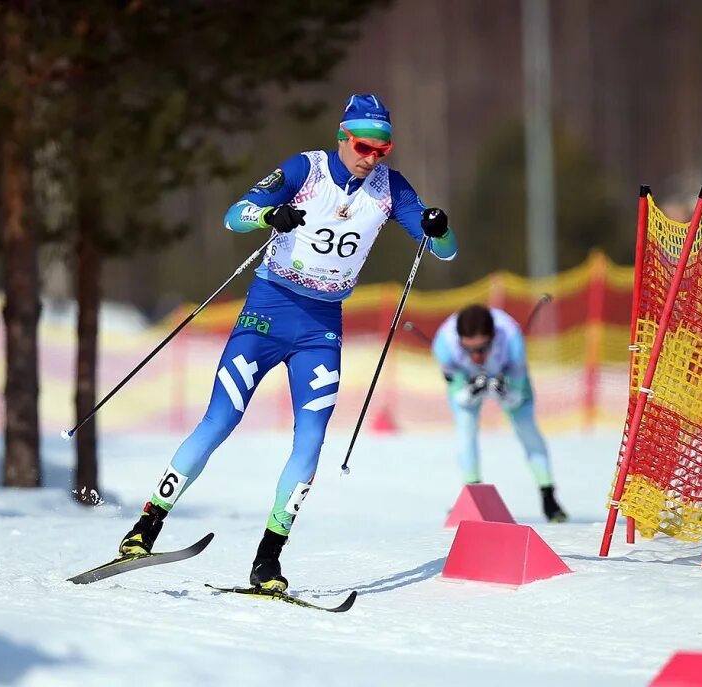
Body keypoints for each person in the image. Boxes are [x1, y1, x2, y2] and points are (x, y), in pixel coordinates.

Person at [118, 94, 457, 592]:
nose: (372, 158)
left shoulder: (389, 188)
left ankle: (267, 560)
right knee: (220, 420)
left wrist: (439, 227)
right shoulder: (307, 169)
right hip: (267, 312)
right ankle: (144, 529)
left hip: (321, 329)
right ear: (343, 138)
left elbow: (445, 252)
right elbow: (234, 215)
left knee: (312, 441)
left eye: (383, 150)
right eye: (364, 146)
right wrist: (268, 216)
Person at [431, 304, 567, 523]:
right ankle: (472, 494)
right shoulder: (444, 345)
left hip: (506, 374)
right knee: (465, 428)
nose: (476, 357)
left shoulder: (512, 341)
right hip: (467, 378)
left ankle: (548, 495)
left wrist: (505, 391)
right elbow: (457, 395)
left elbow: (516, 395)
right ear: (459, 340)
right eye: (469, 350)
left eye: (482, 349)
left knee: (526, 428)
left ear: (493, 337)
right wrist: (471, 389)